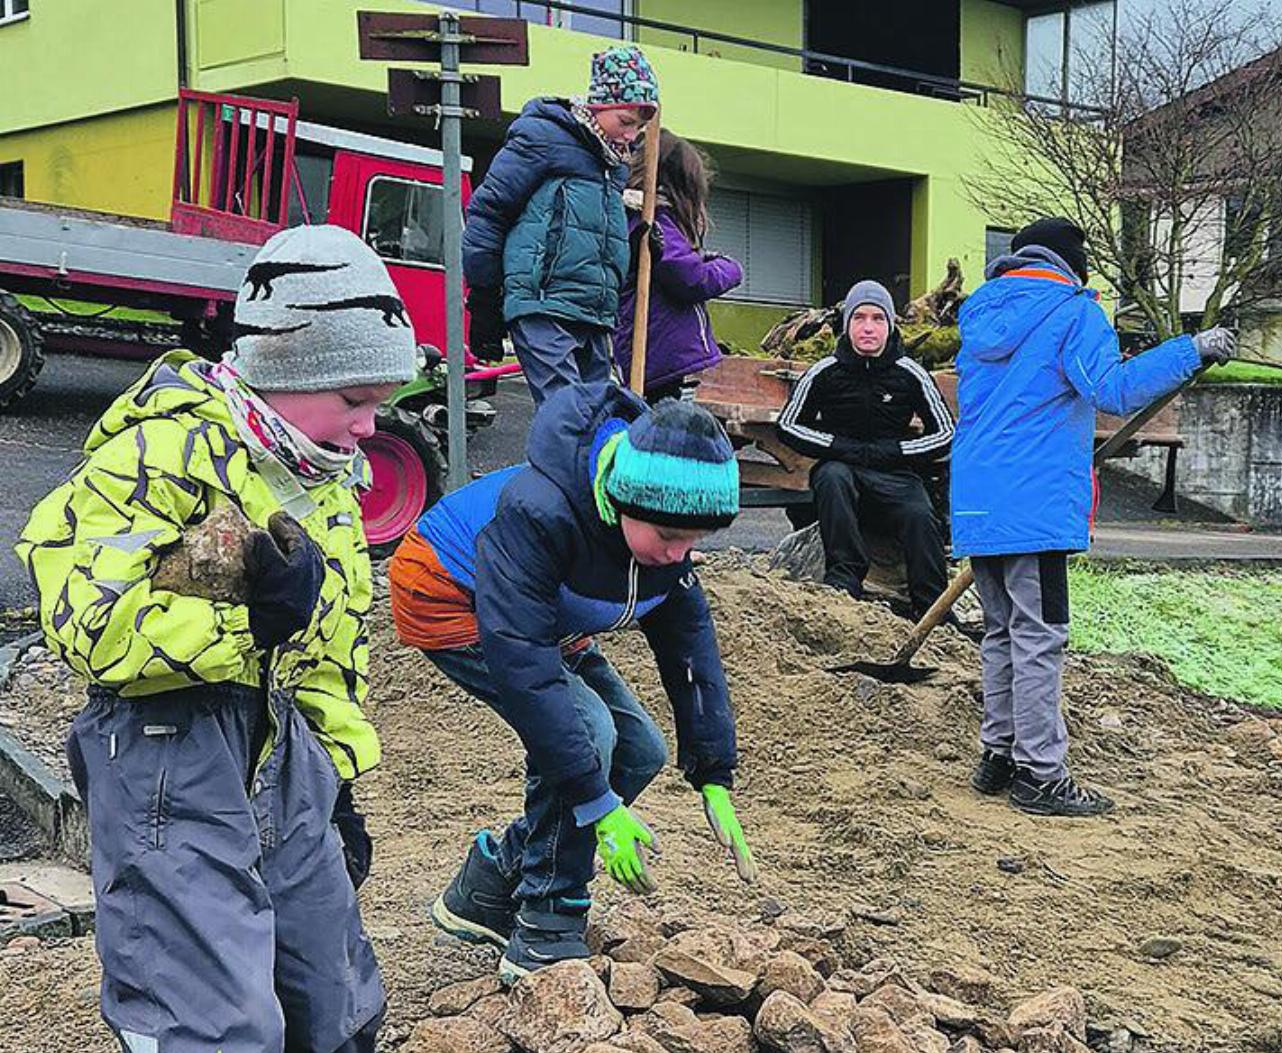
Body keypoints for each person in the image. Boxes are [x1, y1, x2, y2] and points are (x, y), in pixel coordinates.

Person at [16, 224, 413, 1051]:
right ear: (285, 368)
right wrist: (242, 622)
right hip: (167, 749)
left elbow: (332, 651)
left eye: (380, 402)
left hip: (284, 751)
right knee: (212, 1018)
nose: (371, 426)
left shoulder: (326, 482)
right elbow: (86, 619)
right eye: (355, 400)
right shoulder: (164, 451)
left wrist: (337, 783)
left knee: (333, 1001)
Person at [388, 384, 754, 982]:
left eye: (694, 540)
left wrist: (713, 773)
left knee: (640, 750)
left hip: (547, 615)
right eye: (669, 538)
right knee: (588, 730)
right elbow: (523, 660)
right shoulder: (543, 511)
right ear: (622, 500)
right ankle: (545, 927)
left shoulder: (661, 533)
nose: (680, 554)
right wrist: (594, 800)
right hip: (449, 592)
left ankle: (488, 885)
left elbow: (691, 646)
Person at [951, 217, 1234, 817]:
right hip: (1036, 505)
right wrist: (1191, 348)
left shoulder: (980, 314)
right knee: (1039, 638)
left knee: (1002, 632)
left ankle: (998, 757)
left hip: (980, 498)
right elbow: (1112, 389)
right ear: (1070, 264)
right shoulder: (1073, 311)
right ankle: (1042, 776)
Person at [464, 45, 657, 405]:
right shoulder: (543, 136)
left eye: (640, 127)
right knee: (567, 418)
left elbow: (589, 240)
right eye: (626, 122)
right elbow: (489, 214)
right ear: (598, 104)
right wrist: (484, 299)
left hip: (594, 315)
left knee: (600, 419)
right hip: (544, 304)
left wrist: (641, 247)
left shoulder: (612, 167)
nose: (631, 136)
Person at [777, 280, 954, 617]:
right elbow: (788, 425)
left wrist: (895, 452)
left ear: (890, 325)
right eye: (860, 318)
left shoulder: (910, 373)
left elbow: (945, 432)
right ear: (847, 325)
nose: (868, 328)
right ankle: (844, 580)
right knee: (831, 478)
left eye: (878, 319)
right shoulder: (825, 372)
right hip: (843, 467)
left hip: (894, 472)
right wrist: (840, 447)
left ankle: (933, 608)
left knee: (920, 514)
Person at [615, 129, 744, 401]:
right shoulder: (653, 221)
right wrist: (730, 268)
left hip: (654, 355)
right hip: (659, 356)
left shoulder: (639, 218)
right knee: (659, 427)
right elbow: (690, 278)